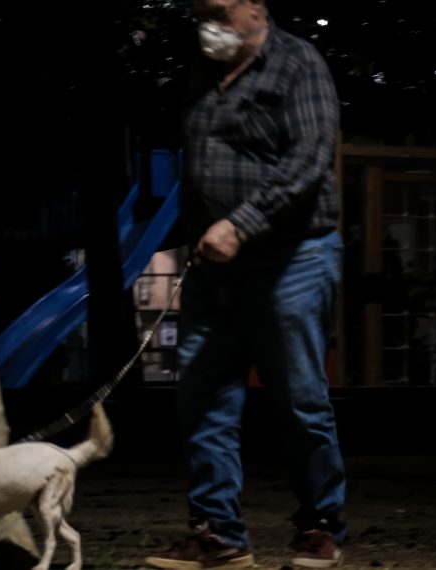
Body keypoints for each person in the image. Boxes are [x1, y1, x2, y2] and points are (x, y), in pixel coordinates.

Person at [144, 0, 347, 568]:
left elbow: (310, 159)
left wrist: (241, 223)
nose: (205, 25)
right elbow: (200, 162)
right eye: (198, 13)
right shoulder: (201, 72)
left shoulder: (298, 63)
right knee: (205, 398)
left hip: (292, 258)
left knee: (301, 400)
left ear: (254, 8)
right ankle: (218, 535)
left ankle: (320, 528)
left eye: (216, 11)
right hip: (216, 266)